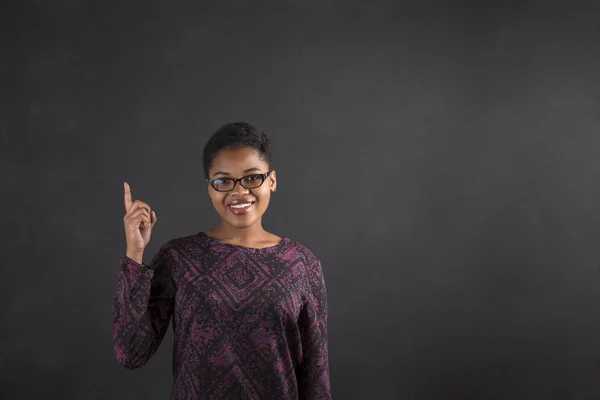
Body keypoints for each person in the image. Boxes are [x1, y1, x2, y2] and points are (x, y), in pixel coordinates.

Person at [112, 122, 331, 399]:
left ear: (272, 181)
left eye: (252, 178)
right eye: (223, 181)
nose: (239, 192)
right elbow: (131, 352)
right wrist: (134, 253)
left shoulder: (302, 263)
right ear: (209, 187)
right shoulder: (179, 257)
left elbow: (316, 374)